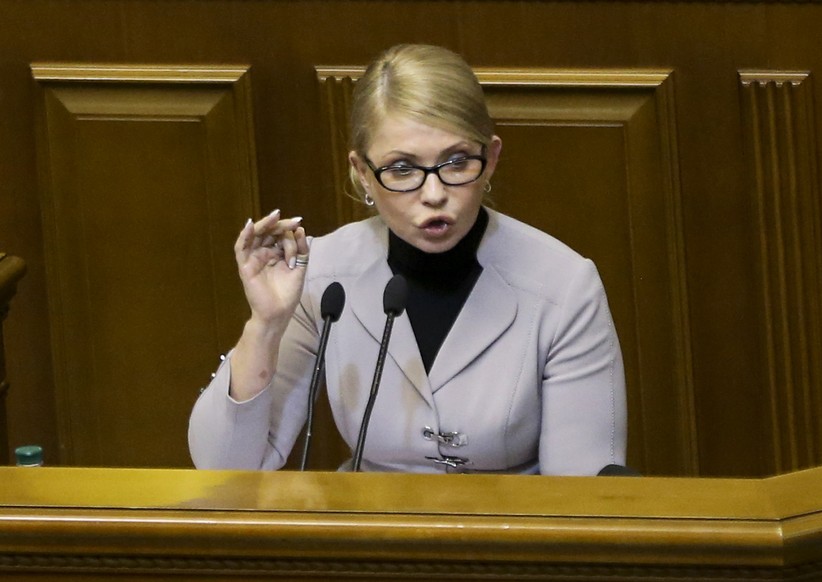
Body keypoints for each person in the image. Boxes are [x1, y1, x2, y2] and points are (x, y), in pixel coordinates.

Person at [188, 44, 628, 475]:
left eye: (456, 163)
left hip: (517, 539)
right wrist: (264, 325)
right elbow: (225, 469)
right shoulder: (320, 274)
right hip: (371, 537)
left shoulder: (565, 285)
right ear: (363, 172)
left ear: (490, 159)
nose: (434, 194)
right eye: (402, 169)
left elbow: (584, 502)